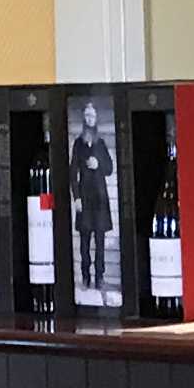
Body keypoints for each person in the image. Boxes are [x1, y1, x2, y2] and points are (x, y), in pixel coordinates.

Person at [68, 108, 118, 294]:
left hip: (100, 199)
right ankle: (85, 277)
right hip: (84, 198)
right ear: (84, 119)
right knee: (84, 241)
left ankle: (99, 277)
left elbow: (110, 168)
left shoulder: (101, 143)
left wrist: (99, 164)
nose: (90, 118)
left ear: (96, 119)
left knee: (100, 240)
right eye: (87, 115)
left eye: (92, 115)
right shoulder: (78, 144)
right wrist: (76, 198)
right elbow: (72, 173)